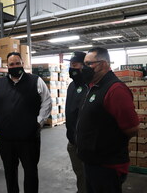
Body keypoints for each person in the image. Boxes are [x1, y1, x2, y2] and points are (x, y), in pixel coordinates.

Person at [0, 52, 51, 193]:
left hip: (29, 138)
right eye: (11, 64)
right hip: (6, 140)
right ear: (7, 66)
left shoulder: (36, 81)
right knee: (10, 172)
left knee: (31, 171)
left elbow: (47, 102)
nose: (15, 66)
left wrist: (39, 122)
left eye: (17, 63)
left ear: (22, 64)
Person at [76, 47, 139, 193]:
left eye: (89, 64)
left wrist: (107, 142)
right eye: (84, 64)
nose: (84, 68)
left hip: (107, 166)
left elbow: (132, 128)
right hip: (91, 162)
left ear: (103, 64)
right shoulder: (92, 86)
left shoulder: (115, 90)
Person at [65, 51, 87, 193]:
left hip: (87, 145)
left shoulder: (91, 86)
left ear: (84, 66)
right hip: (73, 143)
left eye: (75, 65)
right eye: (70, 65)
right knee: (80, 175)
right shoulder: (71, 86)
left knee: (88, 177)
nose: (71, 68)